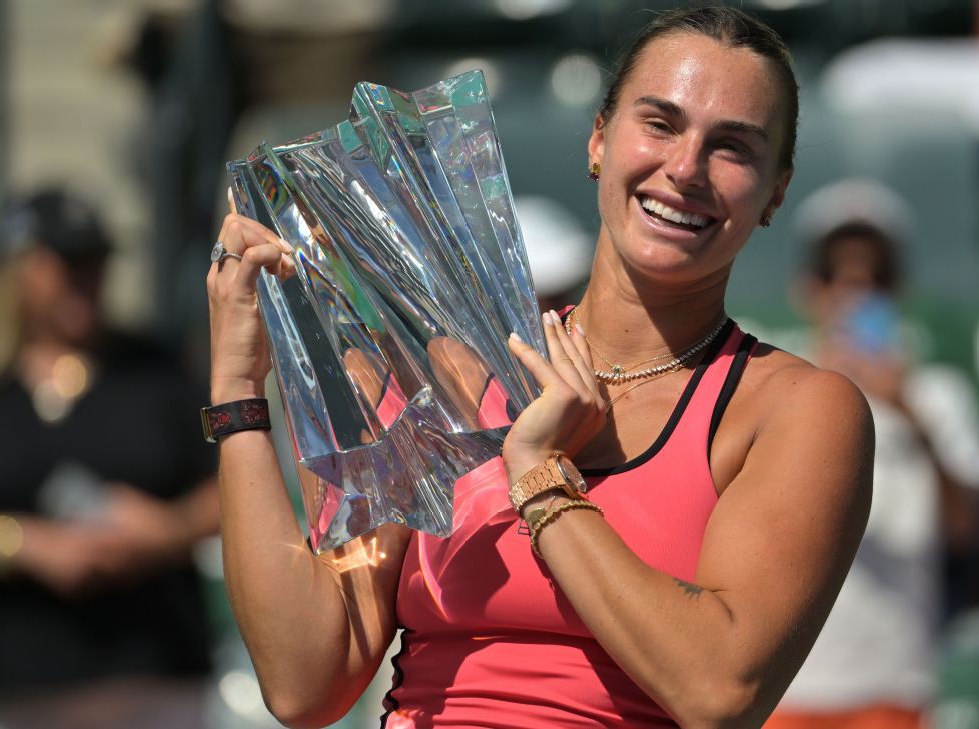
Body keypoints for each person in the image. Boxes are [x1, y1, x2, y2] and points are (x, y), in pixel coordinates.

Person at [205, 6, 874, 728]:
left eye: (733, 147)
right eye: (660, 123)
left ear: (775, 190)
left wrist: (539, 472)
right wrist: (239, 392)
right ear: (598, 138)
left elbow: (719, 690)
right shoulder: (443, 377)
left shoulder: (799, 410)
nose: (685, 168)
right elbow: (306, 681)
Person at [0, 189, 220, 728]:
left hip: (158, 671)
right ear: (20, 270)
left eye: (96, 262)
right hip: (27, 682)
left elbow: (232, 487)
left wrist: (166, 530)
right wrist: (24, 544)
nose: (85, 279)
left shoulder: (155, 369)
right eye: (67, 263)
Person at [768, 181, 979, 729]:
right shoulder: (769, 386)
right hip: (780, 684)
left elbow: (967, 531)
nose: (855, 292)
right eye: (836, 275)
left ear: (898, 288)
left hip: (893, 682)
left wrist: (907, 410)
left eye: (875, 278)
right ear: (809, 289)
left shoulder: (939, 397)